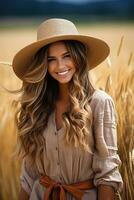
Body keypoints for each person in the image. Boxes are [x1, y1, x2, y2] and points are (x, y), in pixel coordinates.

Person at [12, 18, 123, 200]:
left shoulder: (99, 103)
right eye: (51, 59)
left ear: (78, 56)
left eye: (67, 56)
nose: (61, 66)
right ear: (44, 65)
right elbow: (29, 176)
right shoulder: (36, 107)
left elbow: (107, 174)